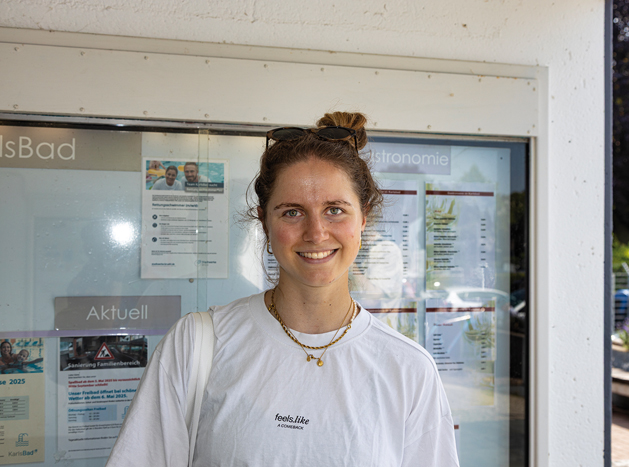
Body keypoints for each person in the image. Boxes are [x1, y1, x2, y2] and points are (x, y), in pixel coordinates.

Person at [106, 112, 459, 467]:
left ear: (363, 217)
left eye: (335, 210)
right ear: (264, 221)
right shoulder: (197, 345)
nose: (316, 233)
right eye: (292, 212)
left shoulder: (409, 369)